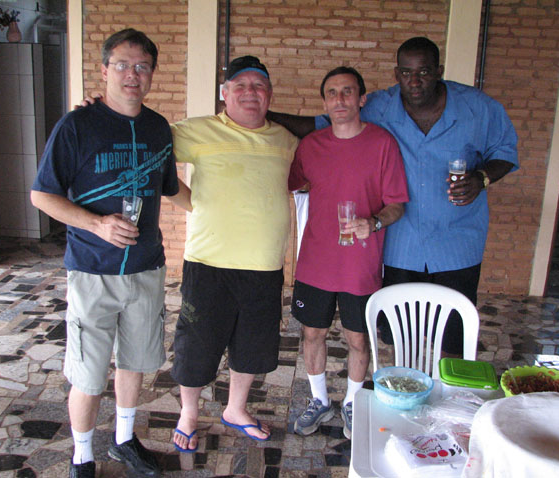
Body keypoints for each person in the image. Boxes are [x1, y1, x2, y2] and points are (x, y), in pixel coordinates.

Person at [268, 37, 519, 355]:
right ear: (396, 73)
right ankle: (404, 384)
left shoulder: (478, 108)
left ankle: (446, 385)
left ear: (439, 71)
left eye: (424, 72)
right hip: (401, 246)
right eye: (406, 73)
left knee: (453, 334)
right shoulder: (379, 106)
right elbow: (324, 123)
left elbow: (505, 151)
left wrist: (481, 178)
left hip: (457, 243)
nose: (415, 81)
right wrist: (263, 114)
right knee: (398, 335)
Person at [31, 29, 182, 478]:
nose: (132, 74)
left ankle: (124, 439)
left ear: (152, 73)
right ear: (103, 70)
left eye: (142, 67)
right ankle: (81, 457)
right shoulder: (76, 126)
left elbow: (170, 187)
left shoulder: (158, 128)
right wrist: (97, 224)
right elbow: (42, 195)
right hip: (92, 270)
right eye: (122, 65)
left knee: (135, 361)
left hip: (145, 268)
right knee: (89, 373)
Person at [169, 56, 299, 452]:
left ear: (269, 95)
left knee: (253, 345)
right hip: (208, 262)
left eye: (258, 86)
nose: (249, 92)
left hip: (264, 264)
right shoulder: (196, 130)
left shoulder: (286, 140)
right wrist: (189, 201)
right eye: (239, 86)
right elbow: (148, 154)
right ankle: (189, 413)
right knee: (196, 343)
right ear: (224, 94)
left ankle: (236, 409)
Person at [289, 67, 408, 439]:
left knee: (358, 338)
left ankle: (353, 403)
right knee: (312, 333)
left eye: (347, 91)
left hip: (360, 263)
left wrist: (373, 223)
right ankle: (319, 400)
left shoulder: (382, 144)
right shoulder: (310, 146)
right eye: (332, 93)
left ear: (361, 99)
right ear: (324, 102)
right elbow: (290, 184)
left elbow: (397, 204)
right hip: (315, 262)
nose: (339, 99)